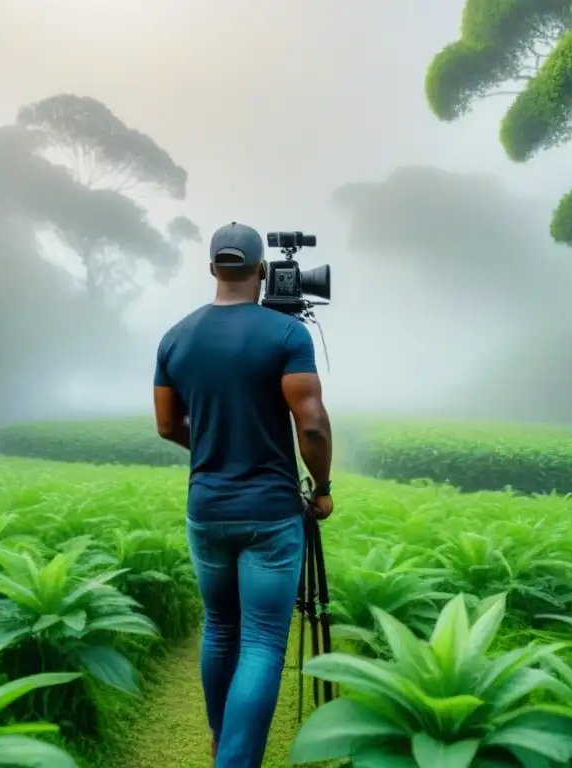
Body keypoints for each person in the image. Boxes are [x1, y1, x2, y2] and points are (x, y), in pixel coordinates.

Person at [152, 221, 334, 767]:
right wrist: (321, 489)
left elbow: (166, 425)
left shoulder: (175, 337)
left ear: (213, 269)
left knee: (222, 626)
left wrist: (214, 447)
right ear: (261, 271)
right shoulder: (285, 336)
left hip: (206, 509)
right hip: (271, 514)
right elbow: (314, 425)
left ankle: (218, 734)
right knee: (261, 641)